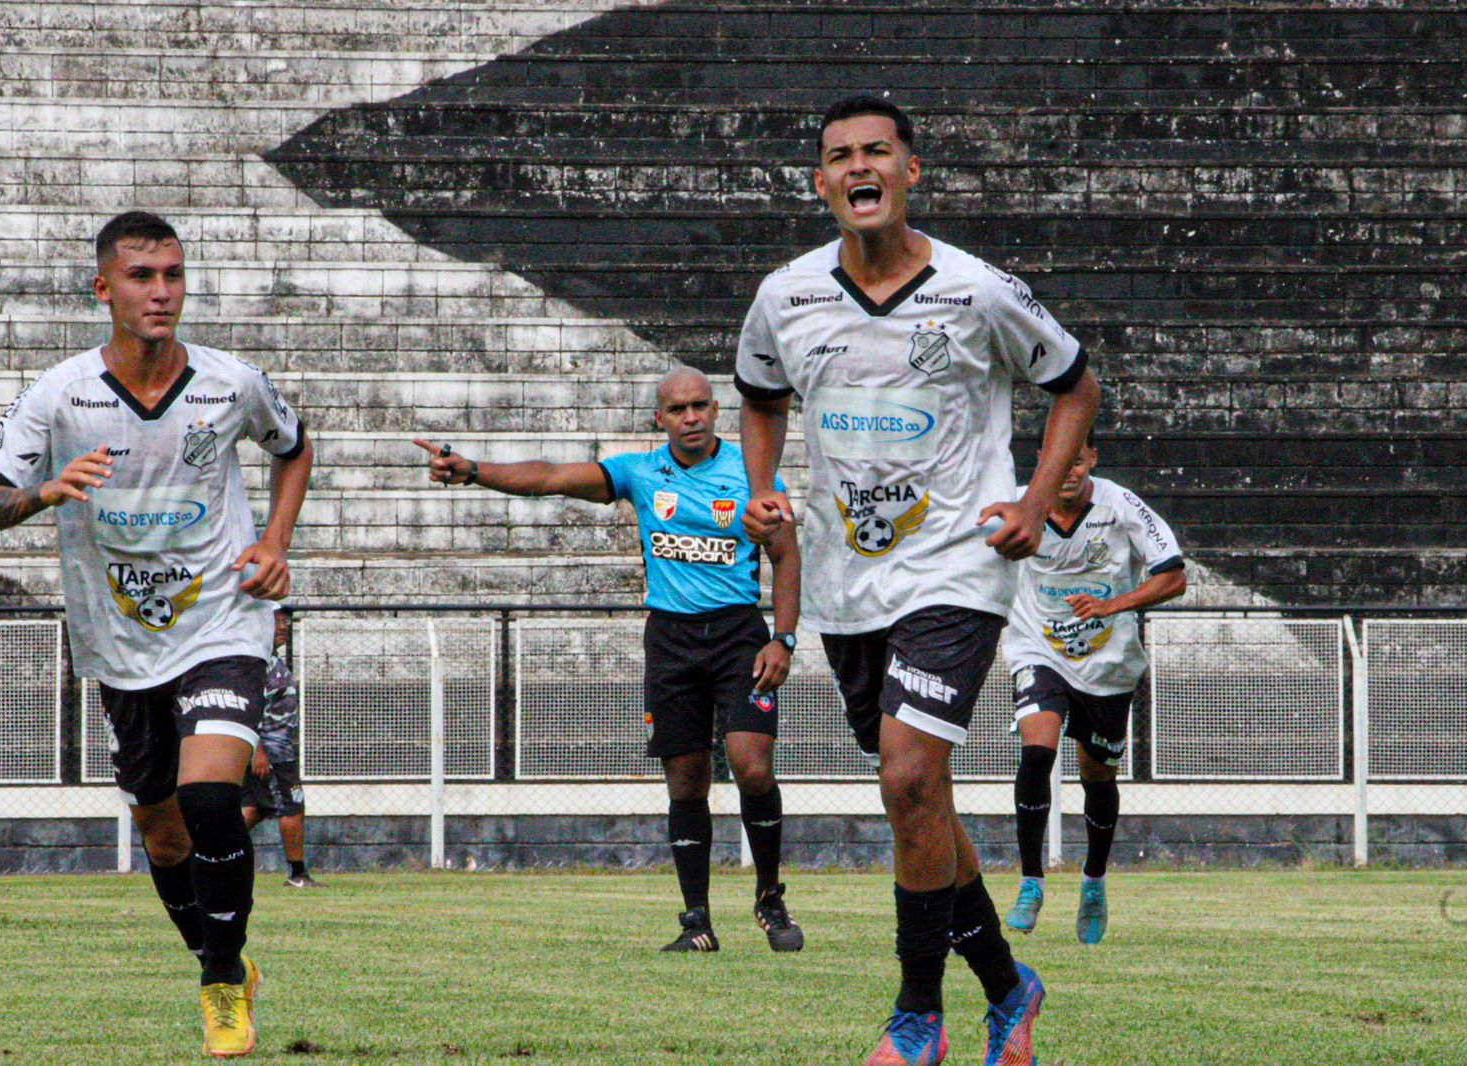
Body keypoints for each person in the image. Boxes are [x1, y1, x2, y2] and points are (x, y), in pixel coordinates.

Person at [734, 95, 1101, 1066]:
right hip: (846, 582)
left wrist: (1027, 504)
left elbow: (1073, 381)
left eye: (877, 152)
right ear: (820, 182)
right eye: (838, 155)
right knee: (918, 798)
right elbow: (760, 398)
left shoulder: (976, 290)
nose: (859, 166)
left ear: (909, 171)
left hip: (956, 568)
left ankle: (914, 1017)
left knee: (905, 774)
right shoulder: (784, 296)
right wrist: (765, 491)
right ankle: (1009, 988)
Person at [0, 211, 311, 1058]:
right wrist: (42, 495)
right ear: (103, 289)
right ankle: (219, 956)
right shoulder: (60, 394)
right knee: (162, 828)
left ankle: (221, 984)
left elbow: (294, 447)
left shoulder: (232, 382)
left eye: (173, 275)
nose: (161, 292)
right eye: (141, 276)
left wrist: (273, 543)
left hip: (223, 618)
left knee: (208, 795)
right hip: (120, 639)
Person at [414, 364, 805, 952]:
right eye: (678, 410)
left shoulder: (750, 474)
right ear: (660, 419)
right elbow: (549, 477)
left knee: (751, 764)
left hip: (740, 636)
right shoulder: (641, 472)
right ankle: (697, 921)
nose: (691, 417)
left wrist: (785, 637)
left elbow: (786, 553)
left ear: (717, 411)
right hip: (671, 638)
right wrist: (473, 472)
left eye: (700, 405)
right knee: (686, 781)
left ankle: (770, 898)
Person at [1002, 430, 1185, 944]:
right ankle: (1031, 883)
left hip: (1107, 664)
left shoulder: (1121, 505)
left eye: (1078, 463)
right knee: (1037, 751)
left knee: (1096, 773)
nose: (1069, 472)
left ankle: (1093, 881)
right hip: (1040, 652)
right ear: (1044, 460)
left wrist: (1111, 605)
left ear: (1091, 461)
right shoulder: (1020, 506)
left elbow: (1174, 576)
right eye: (1060, 462)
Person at [241, 608, 322, 888]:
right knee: (292, 807)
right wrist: (258, 751)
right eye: (274, 620)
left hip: (276, 749)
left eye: (284, 620)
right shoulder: (254, 663)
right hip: (271, 753)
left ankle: (208, 854)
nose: (282, 625)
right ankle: (297, 875)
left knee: (254, 808)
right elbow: (246, 710)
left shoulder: (269, 660)